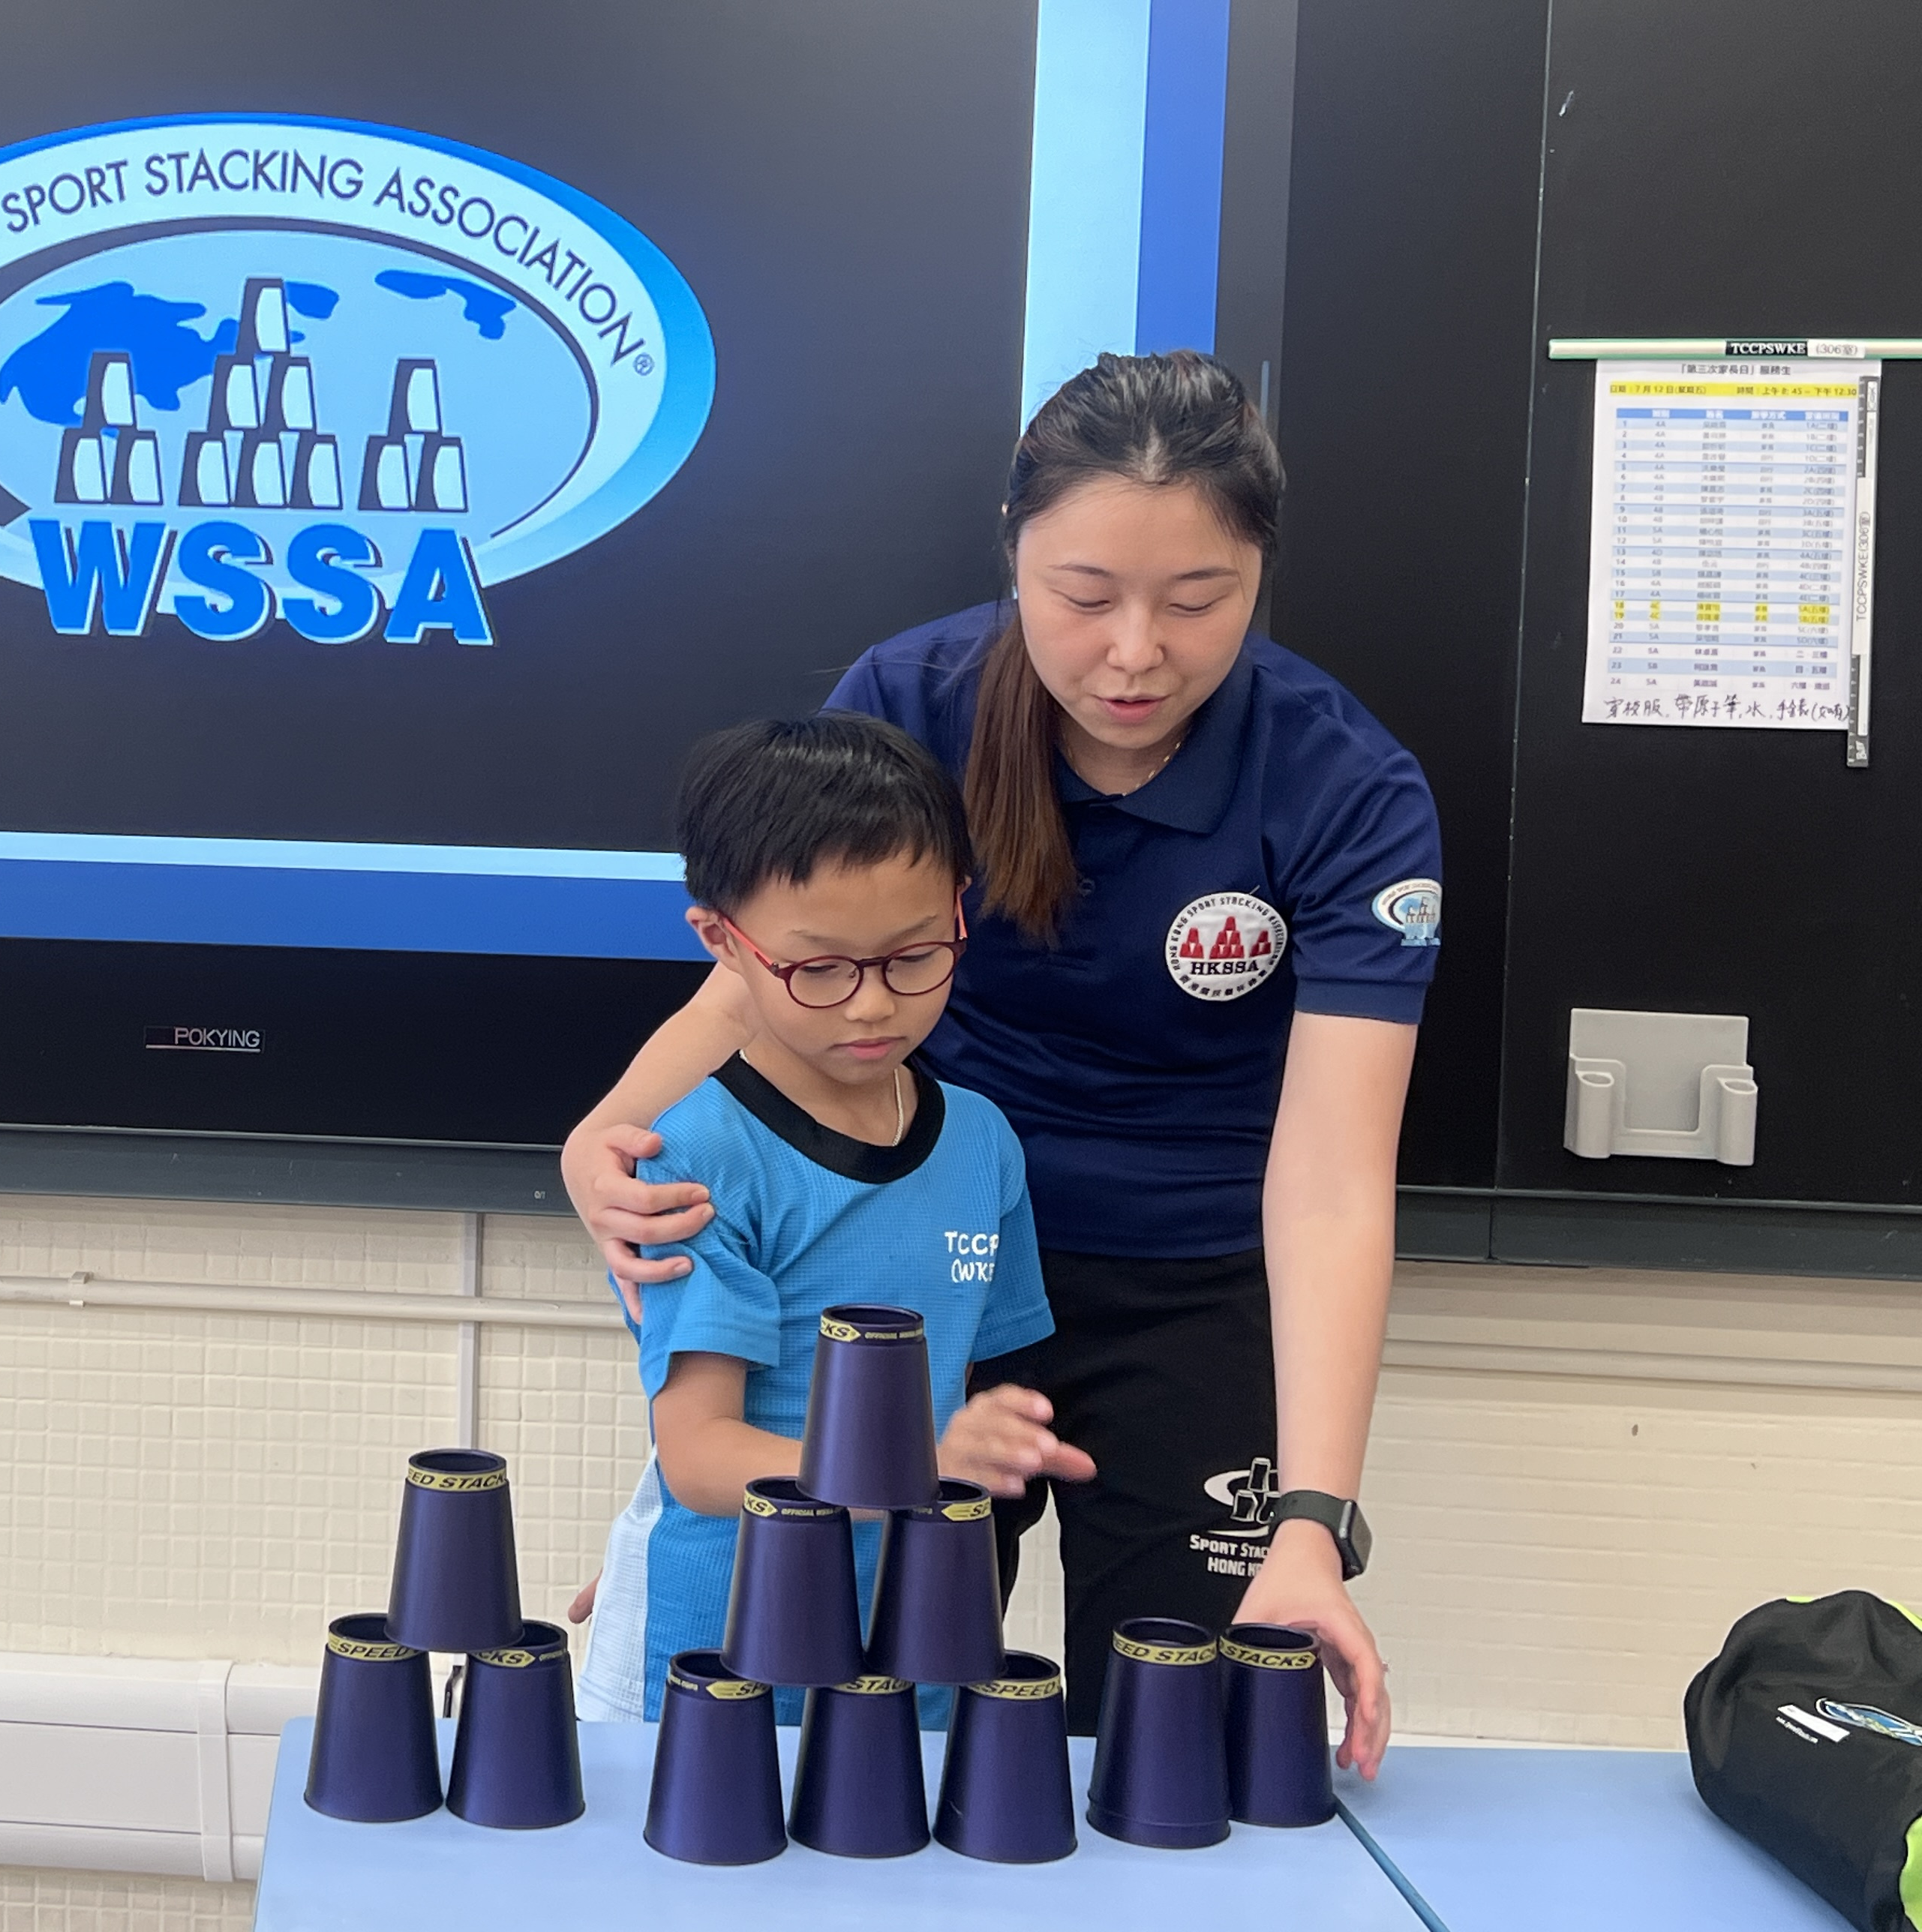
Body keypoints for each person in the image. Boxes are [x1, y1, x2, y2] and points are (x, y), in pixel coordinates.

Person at [566, 352, 1434, 1775]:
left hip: (1192, 1286)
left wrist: (1310, 1526)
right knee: (854, 1725)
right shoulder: (917, 700)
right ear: (1014, 552)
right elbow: (771, 978)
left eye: (1197, 600)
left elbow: (1336, 1179)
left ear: (1261, 574)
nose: (1135, 653)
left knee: (1176, 1745)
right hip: (927, 1262)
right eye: (1084, 597)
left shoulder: (1342, 785)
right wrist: (603, 1134)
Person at [570, 711, 1082, 1726]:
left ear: (959, 908)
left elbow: (990, 1384)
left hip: (912, 1648)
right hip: (714, 1656)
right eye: (821, 970)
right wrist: (915, 1466)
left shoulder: (983, 1142)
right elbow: (699, 1458)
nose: (872, 1005)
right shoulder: (698, 1158)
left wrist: (993, 1448)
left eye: (914, 956)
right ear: (723, 942)